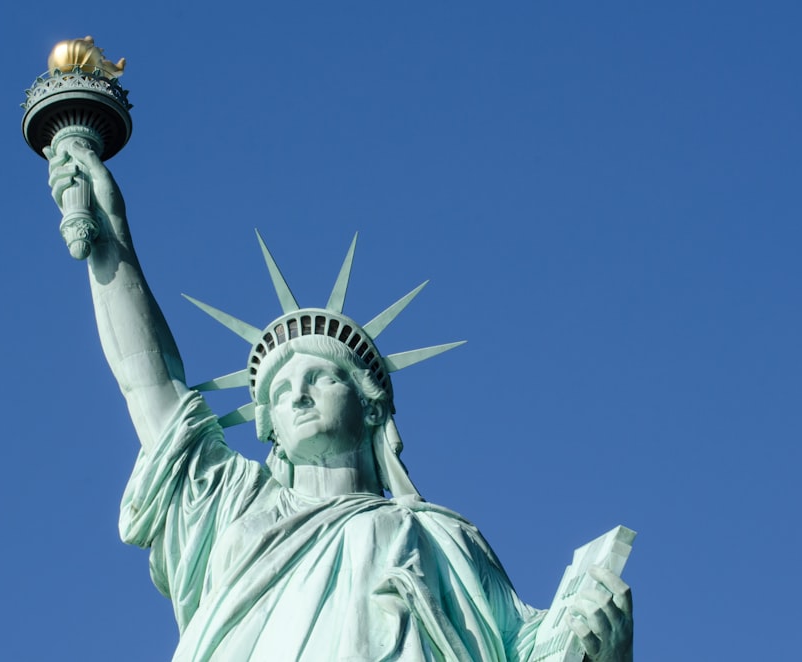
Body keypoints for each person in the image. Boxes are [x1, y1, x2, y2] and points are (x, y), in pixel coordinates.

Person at [45, 140, 634, 662]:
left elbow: (527, 649)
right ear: (268, 426)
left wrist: (602, 648)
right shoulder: (233, 510)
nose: (296, 393)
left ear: (371, 406)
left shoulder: (447, 542)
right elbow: (150, 387)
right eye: (277, 391)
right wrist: (112, 241)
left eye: (321, 377)